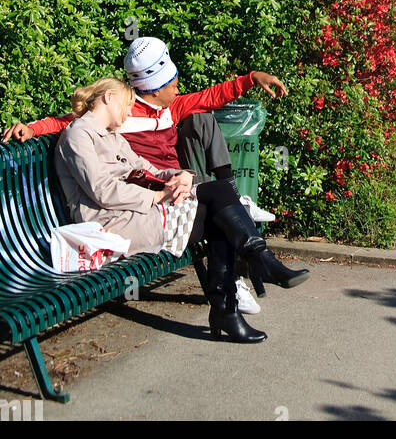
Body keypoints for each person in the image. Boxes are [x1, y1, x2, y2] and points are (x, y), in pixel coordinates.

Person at [2, 37, 308, 307]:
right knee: (220, 209)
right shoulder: (118, 115)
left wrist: (251, 78)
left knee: (204, 125)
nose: (178, 86)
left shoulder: (169, 107)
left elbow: (210, 96)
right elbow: (66, 123)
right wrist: (32, 128)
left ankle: (240, 272)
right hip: (145, 198)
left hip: (169, 181)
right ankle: (236, 283)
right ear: (155, 88)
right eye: (172, 82)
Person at [54, 77, 308, 343]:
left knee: (216, 198)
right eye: (127, 105)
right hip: (113, 225)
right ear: (108, 98)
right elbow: (102, 191)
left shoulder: (110, 135)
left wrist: (181, 175)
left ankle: (242, 286)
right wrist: (157, 196)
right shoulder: (78, 135)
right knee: (216, 210)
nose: (130, 112)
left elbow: (146, 168)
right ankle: (239, 290)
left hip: (137, 212)